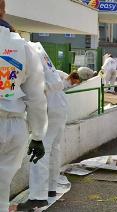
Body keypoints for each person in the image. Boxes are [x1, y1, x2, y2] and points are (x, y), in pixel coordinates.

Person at [0, 1, 48, 211]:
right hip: (14, 128)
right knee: (2, 187)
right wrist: (37, 136)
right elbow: (36, 97)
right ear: (3, 10)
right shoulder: (23, 47)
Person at [16, 43, 68, 210]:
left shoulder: (22, 50)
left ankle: (38, 197)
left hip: (47, 103)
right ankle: (51, 188)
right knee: (54, 147)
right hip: (59, 101)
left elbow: (29, 86)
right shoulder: (34, 47)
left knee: (39, 150)